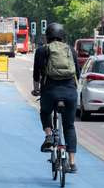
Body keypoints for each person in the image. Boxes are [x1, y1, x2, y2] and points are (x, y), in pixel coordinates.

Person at [32, 23, 80, 173]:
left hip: (50, 92)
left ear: (47, 37)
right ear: (62, 36)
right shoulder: (70, 50)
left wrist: (36, 89)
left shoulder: (42, 50)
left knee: (45, 112)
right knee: (69, 126)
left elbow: (36, 74)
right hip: (70, 92)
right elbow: (77, 73)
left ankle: (49, 135)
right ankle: (72, 163)